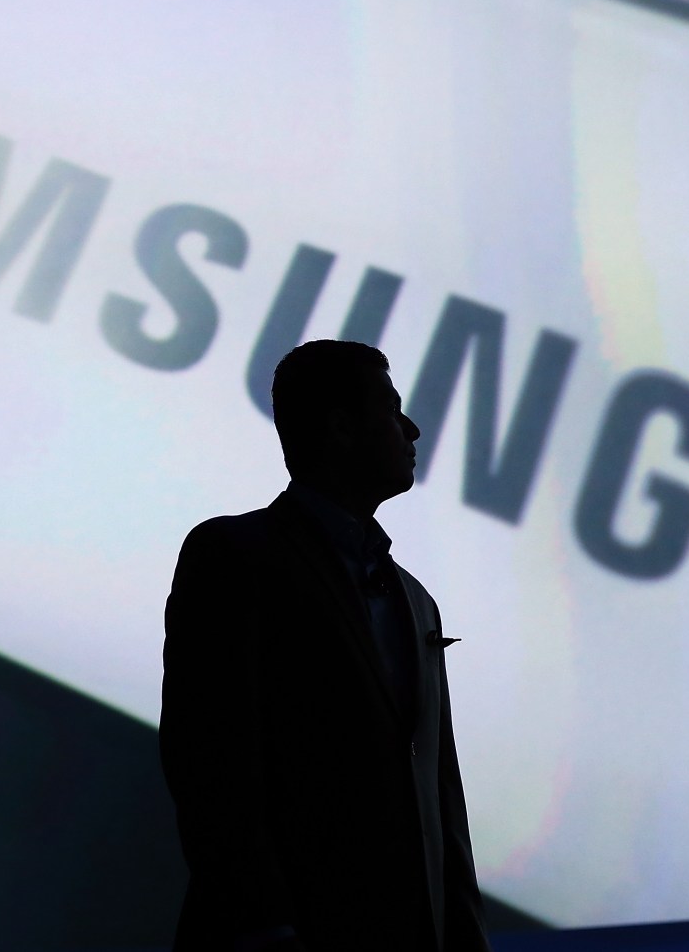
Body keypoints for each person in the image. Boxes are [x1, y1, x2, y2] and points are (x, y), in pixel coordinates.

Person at [160, 340, 491, 952]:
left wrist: (465, 937)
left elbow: (441, 795)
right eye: (391, 410)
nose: (412, 430)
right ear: (340, 428)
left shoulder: (416, 600)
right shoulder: (235, 555)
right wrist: (262, 925)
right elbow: (210, 757)